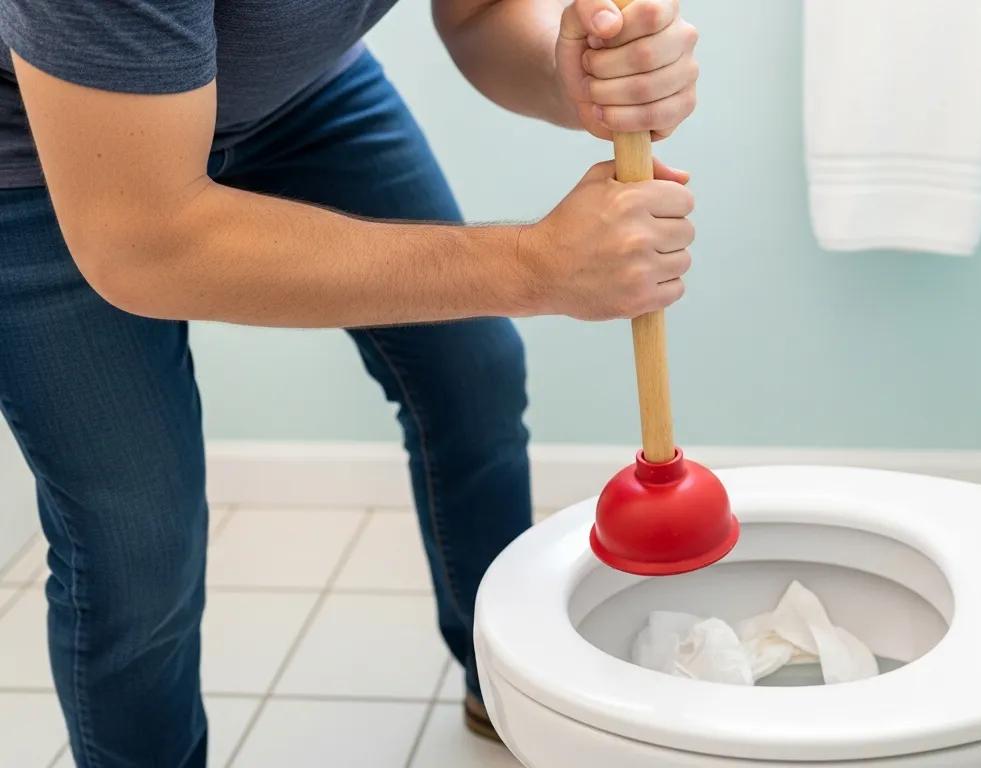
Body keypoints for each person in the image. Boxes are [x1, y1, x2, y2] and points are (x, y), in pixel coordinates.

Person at [0, 0, 699, 764]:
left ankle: (501, 690)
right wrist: (535, 268)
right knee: (138, 538)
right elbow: (147, 243)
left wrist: (576, 79)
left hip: (298, 98)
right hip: (46, 159)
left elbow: (479, 14)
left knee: (474, 375)